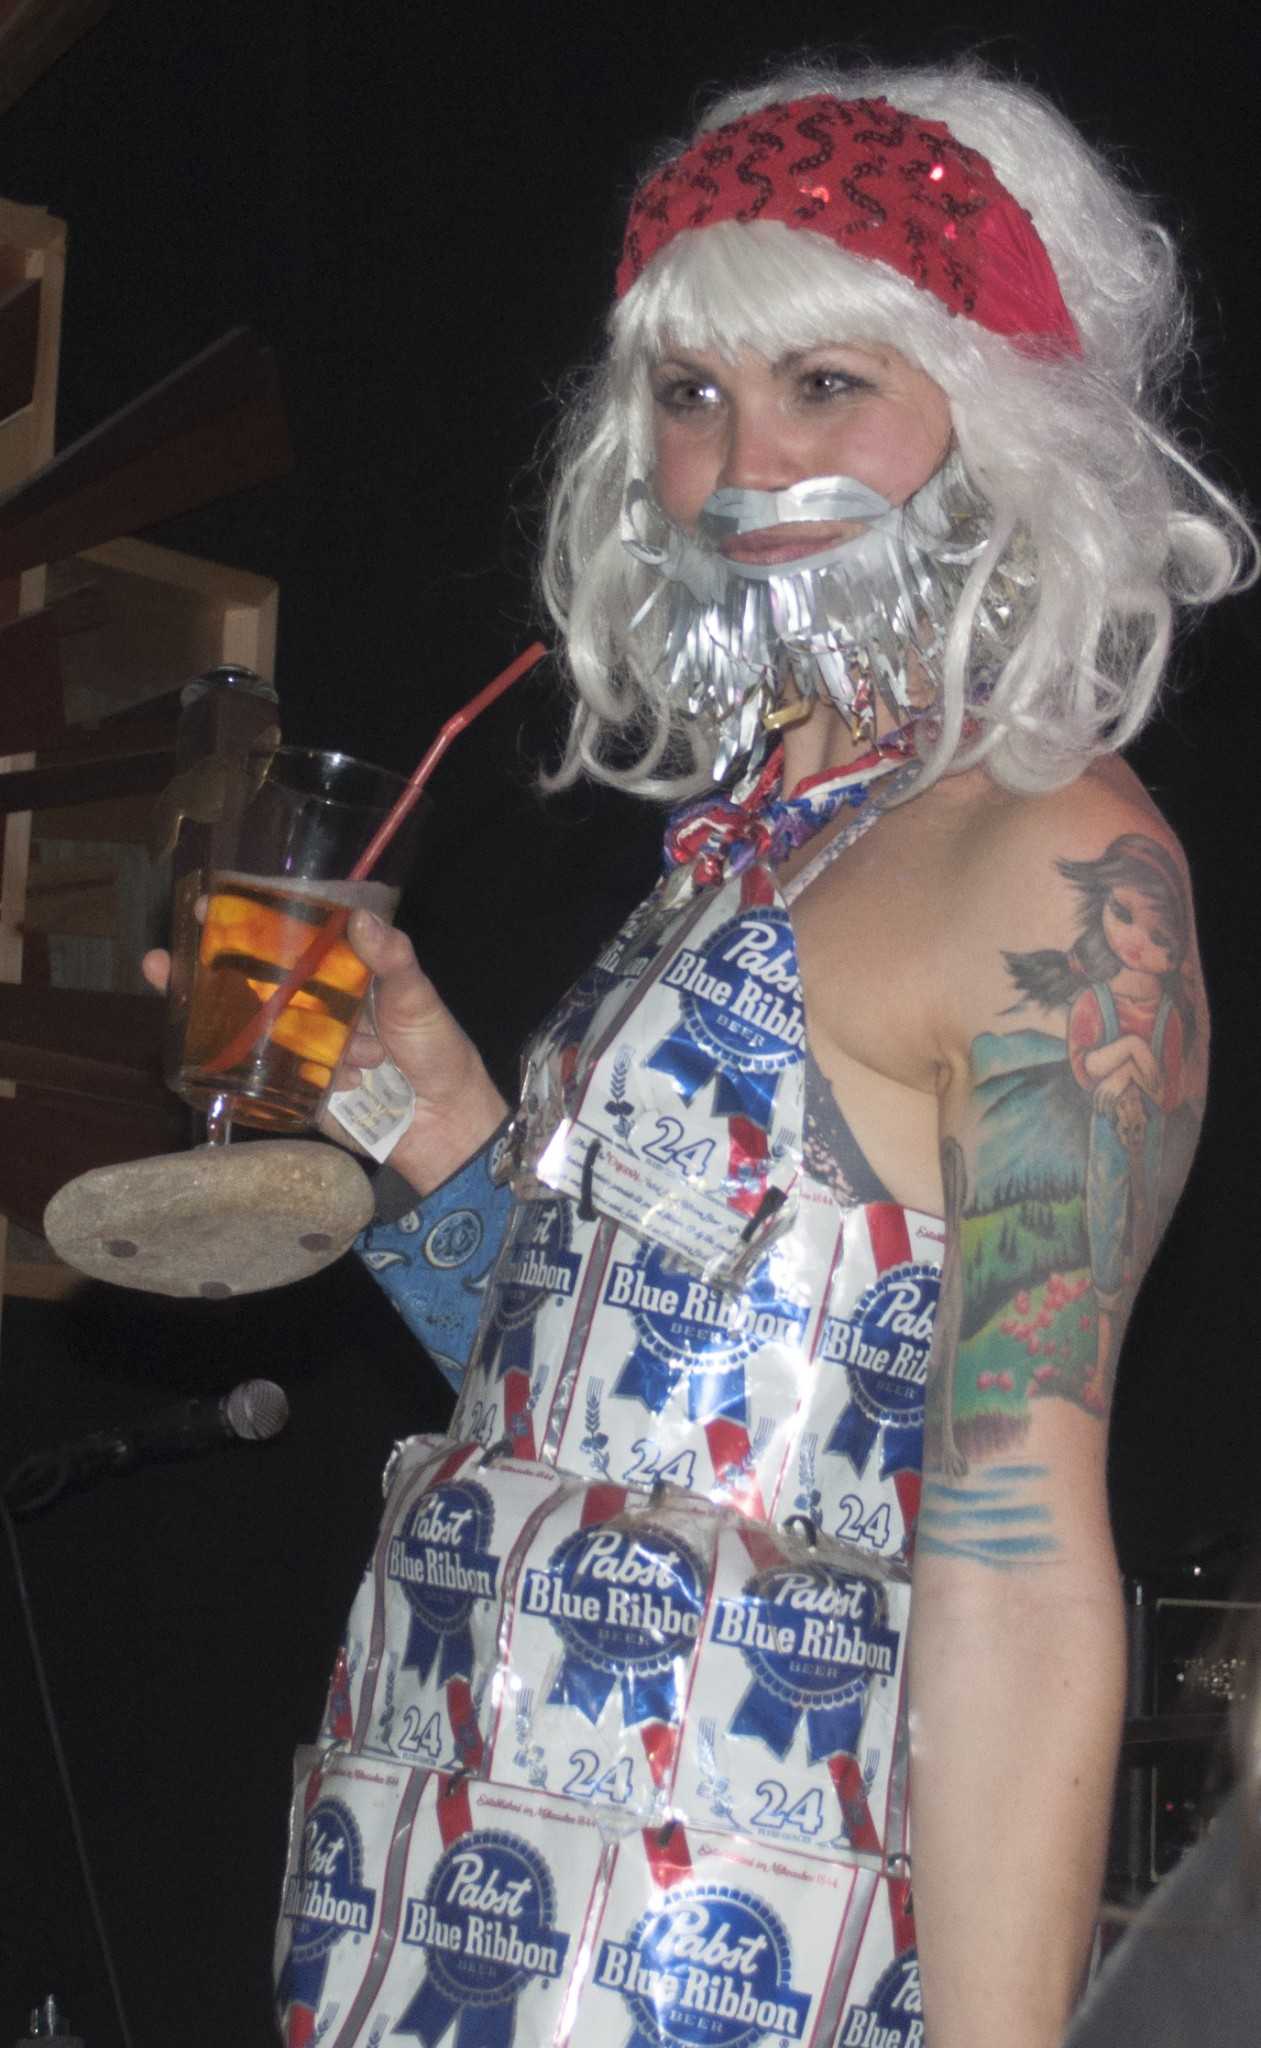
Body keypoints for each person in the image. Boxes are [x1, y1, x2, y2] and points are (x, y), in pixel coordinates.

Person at [157, 59, 1252, 2048]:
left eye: (823, 385)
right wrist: (412, 1095)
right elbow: (613, 1392)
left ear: (992, 417)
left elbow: (1015, 1568)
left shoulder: (1049, 858)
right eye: (687, 396)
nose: (741, 461)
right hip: (423, 1868)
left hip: (711, 1950)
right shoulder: (759, 837)